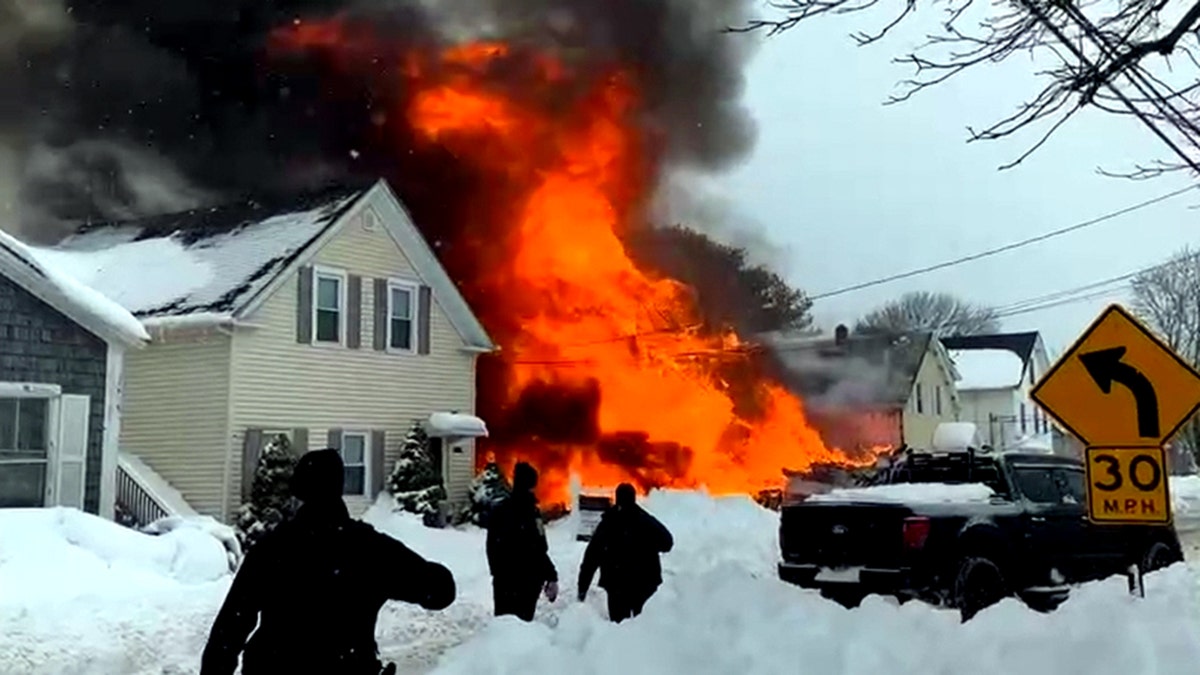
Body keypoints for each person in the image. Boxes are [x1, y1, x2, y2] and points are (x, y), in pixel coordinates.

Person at [200, 449, 456, 675]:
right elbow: (440, 591)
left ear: (299, 490)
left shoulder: (272, 549)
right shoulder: (370, 548)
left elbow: (232, 625)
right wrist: (428, 576)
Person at [577, 483, 673, 623]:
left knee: (619, 628)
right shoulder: (645, 520)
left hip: (617, 585)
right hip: (643, 583)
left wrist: (582, 588)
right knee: (644, 627)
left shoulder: (608, 523)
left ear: (617, 499)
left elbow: (591, 557)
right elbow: (667, 542)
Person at [486, 461, 558, 621]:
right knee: (522, 629)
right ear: (532, 485)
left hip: (503, 583)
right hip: (527, 583)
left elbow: (491, 546)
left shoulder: (499, 510)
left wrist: (498, 573)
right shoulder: (532, 513)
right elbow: (539, 549)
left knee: (504, 626)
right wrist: (551, 576)